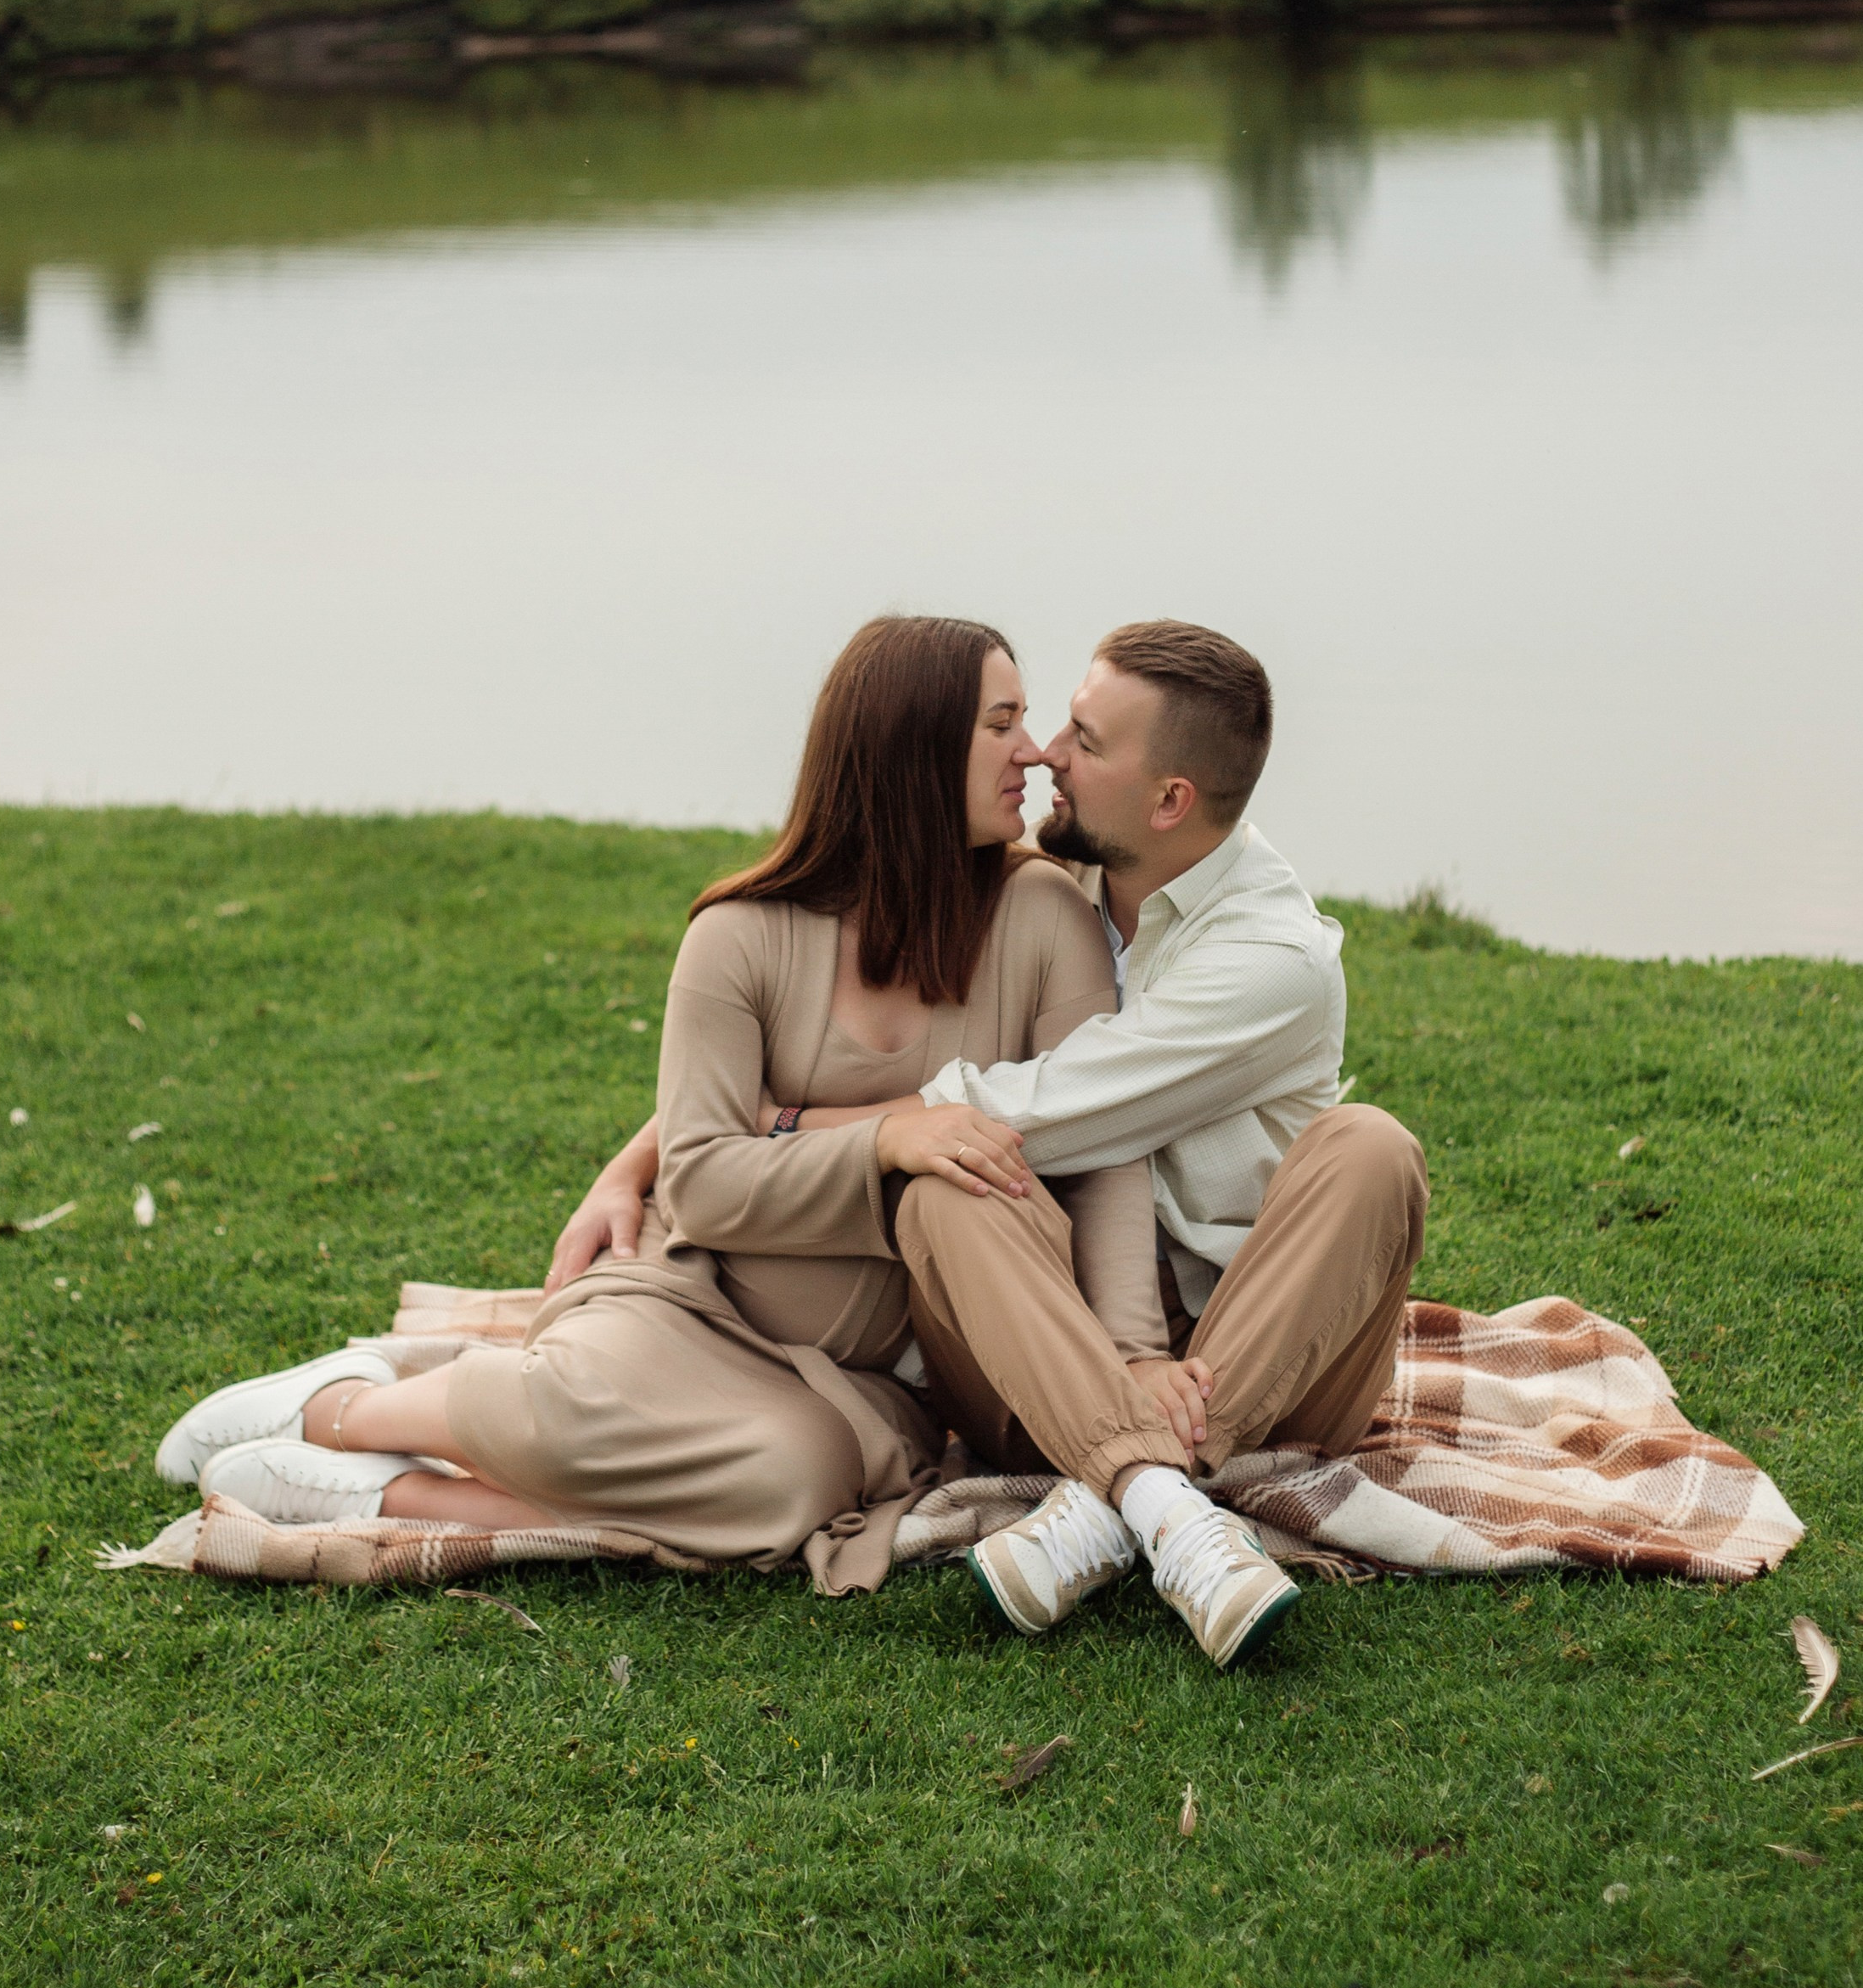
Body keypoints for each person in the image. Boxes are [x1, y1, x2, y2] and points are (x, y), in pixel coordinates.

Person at [151, 615, 1309, 1665]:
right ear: (913, 751)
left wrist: (1122, 1352)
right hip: (698, 1308)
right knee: (570, 1408)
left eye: (1036, 725)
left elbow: (1103, 1150)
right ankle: (344, 1411)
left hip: (874, 1368)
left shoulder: (1045, 916)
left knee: (792, 1488)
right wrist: (881, 1142)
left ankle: (385, 1498)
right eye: (1002, 724)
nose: (1035, 753)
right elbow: (702, 1186)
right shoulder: (740, 939)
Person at [552, 618, 1429, 1640]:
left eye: (1086, 742)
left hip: (1267, 1353)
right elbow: (949, 1125)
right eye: (1047, 722)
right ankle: (1158, 1502)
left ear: (1170, 800)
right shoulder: (1077, 877)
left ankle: (1116, 1495)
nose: (1048, 751)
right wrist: (646, 1152)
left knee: (1371, 1144)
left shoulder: (1270, 960)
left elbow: (1041, 1112)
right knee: (947, 1185)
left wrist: (787, 1121)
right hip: (1046, 1351)